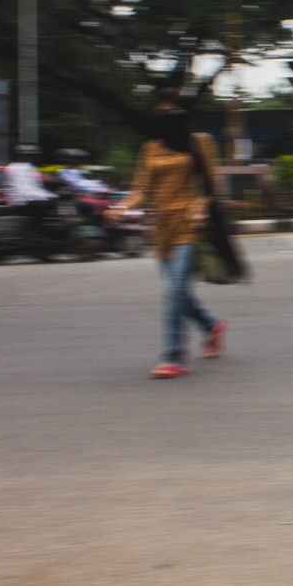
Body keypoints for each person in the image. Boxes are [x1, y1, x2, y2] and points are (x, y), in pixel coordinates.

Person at [109, 91, 228, 379]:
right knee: (179, 292)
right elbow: (141, 190)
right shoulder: (150, 148)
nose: (166, 120)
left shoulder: (199, 143)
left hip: (188, 224)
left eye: (172, 114)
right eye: (161, 114)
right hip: (161, 227)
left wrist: (201, 207)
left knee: (174, 289)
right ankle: (211, 325)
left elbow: (212, 184)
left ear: (184, 116)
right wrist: (121, 207)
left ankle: (172, 356)